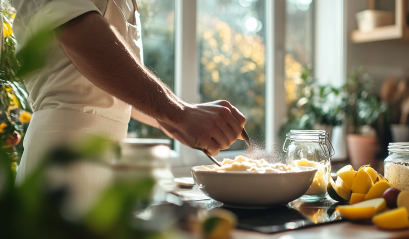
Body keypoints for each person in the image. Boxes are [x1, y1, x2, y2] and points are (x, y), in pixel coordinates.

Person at [13, 0, 246, 212]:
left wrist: (175, 122)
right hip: (60, 165)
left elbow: (120, 88)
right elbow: (79, 34)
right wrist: (181, 114)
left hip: (110, 170)